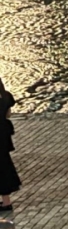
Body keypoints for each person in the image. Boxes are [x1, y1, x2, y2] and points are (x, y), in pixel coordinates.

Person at [0, 84, 19, 213]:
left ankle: (6, 202)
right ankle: (6, 201)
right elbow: (8, 112)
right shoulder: (5, 96)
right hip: (3, 135)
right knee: (4, 165)